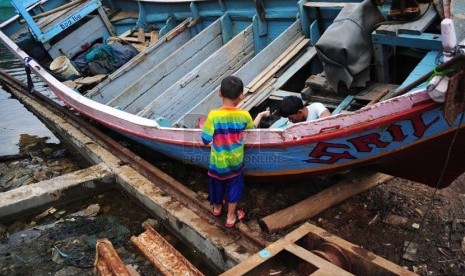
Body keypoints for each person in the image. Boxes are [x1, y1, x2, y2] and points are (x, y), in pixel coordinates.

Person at [201, 76, 269, 228]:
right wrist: (260, 116)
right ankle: (231, 217)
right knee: (234, 187)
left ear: (219, 93)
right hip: (236, 163)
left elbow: (205, 139)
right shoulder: (244, 115)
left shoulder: (213, 115)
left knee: (216, 184)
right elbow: (251, 131)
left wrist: (213, 139)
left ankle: (217, 209)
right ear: (241, 96)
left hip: (218, 163)